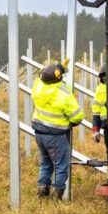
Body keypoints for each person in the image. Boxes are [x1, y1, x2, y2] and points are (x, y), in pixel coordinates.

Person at [32, 58, 84, 199]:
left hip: (39, 134)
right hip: (56, 136)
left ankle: (42, 191)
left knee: (46, 163)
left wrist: (60, 67)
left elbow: (45, 75)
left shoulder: (38, 87)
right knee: (61, 166)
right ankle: (56, 196)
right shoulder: (64, 95)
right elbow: (77, 117)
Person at [91, 65, 107, 145]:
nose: (105, 78)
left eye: (106, 75)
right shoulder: (99, 88)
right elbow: (96, 112)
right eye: (103, 75)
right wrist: (95, 130)